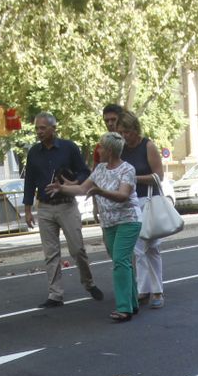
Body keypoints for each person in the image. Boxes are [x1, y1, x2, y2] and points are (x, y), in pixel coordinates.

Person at [50, 132, 141, 322]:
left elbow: (123, 195)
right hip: (108, 222)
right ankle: (132, 302)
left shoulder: (127, 169)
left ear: (110, 150)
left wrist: (101, 191)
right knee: (121, 261)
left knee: (120, 260)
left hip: (128, 220)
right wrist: (63, 189)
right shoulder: (100, 169)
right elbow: (83, 189)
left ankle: (124, 308)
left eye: (101, 147)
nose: (98, 150)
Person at [22, 113, 103, 308]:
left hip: (67, 204)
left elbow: (84, 171)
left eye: (42, 128)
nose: (39, 132)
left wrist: (75, 182)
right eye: (37, 129)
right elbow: (29, 181)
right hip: (45, 208)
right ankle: (55, 294)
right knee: (50, 253)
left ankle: (88, 282)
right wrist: (27, 210)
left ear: (53, 128)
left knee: (77, 249)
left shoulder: (69, 148)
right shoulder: (33, 152)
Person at [116, 110, 167, 310]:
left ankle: (158, 290)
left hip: (148, 199)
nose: (123, 136)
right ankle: (143, 289)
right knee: (138, 249)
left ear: (135, 130)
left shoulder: (148, 146)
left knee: (152, 245)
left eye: (126, 132)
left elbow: (158, 176)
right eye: (120, 132)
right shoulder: (121, 150)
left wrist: (133, 178)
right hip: (130, 203)